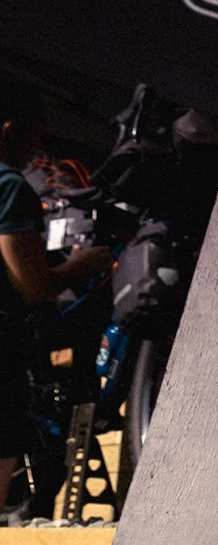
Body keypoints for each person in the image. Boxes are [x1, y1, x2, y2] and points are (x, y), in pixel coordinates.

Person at [0, 86, 110, 510]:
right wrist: (80, 265)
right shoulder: (10, 187)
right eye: (34, 135)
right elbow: (33, 286)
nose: (38, 149)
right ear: (11, 129)